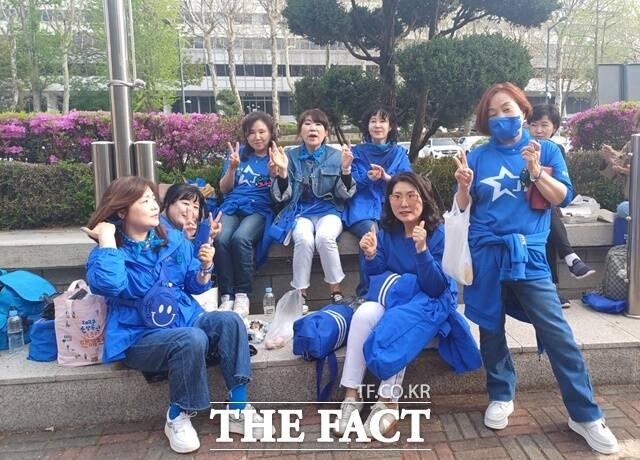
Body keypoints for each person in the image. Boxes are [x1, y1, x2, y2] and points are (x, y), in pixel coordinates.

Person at [453, 82, 618, 454]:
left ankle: (585, 414)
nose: (500, 118)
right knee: (491, 327)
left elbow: (563, 196)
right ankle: (501, 393)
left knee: (557, 333)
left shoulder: (546, 149)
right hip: (486, 253)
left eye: (507, 110)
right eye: (492, 114)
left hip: (529, 254)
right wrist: (463, 187)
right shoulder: (478, 156)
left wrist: (535, 170)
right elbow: (462, 208)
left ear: (523, 111)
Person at [82, 176, 270, 454]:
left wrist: (205, 268)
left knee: (229, 320)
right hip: (139, 336)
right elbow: (110, 284)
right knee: (191, 338)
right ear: (122, 211)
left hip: (185, 317)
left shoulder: (172, 240)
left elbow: (194, 285)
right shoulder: (109, 252)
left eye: (152, 199)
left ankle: (238, 409)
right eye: (144, 201)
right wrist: (107, 238)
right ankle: (177, 415)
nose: (153, 206)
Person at [336, 172, 478, 437]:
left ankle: (388, 402)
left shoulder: (438, 234)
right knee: (364, 313)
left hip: (429, 311)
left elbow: (436, 287)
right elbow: (376, 278)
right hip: (394, 300)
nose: (404, 203)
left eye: (412, 196)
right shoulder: (385, 232)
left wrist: (422, 250)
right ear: (389, 200)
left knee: (400, 320)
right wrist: (370, 255)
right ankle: (351, 396)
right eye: (397, 196)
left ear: (424, 199)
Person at [269, 108, 356, 309]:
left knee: (325, 237)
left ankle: (335, 292)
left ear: (326, 132)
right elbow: (282, 196)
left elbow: (345, 194)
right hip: (300, 212)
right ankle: (300, 295)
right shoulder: (289, 156)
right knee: (304, 239)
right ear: (300, 131)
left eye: (318, 124)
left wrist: (345, 169)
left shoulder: (337, 156)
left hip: (329, 211)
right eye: (307, 124)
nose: (312, 128)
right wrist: (282, 172)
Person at [528, 104, 595, 307]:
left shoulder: (554, 150)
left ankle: (552, 289)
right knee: (547, 219)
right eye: (534, 125)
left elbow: (561, 188)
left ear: (555, 128)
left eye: (544, 125)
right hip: (523, 206)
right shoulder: (521, 147)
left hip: (545, 204)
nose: (539, 130)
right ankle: (570, 257)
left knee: (547, 220)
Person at [343, 107, 412, 298]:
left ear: (391, 127)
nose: (377, 125)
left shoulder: (399, 153)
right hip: (361, 210)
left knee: (398, 234)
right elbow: (349, 186)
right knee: (370, 234)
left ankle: (396, 288)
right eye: (373, 121)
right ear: (367, 126)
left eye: (382, 121)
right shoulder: (356, 153)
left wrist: (386, 177)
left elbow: (408, 182)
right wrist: (368, 178)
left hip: (391, 208)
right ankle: (366, 293)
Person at [216, 111, 277, 317]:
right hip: (232, 206)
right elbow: (224, 189)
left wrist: (275, 174)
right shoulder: (238, 154)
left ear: (271, 133)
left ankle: (242, 295)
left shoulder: (276, 156)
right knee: (221, 238)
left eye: (262, 131)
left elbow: (280, 196)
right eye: (251, 132)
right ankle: (227, 296)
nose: (257, 137)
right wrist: (232, 169)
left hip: (259, 208)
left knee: (241, 238)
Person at [600, 111, 638, 219]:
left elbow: (628, 168)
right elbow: (619, 161)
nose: (635, 129)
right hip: (633, 200)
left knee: (623, 209)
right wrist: (609, 158)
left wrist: (630, 171)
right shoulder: (632, 144)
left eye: (637, 125)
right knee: (622, 209)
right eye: (636, 125)